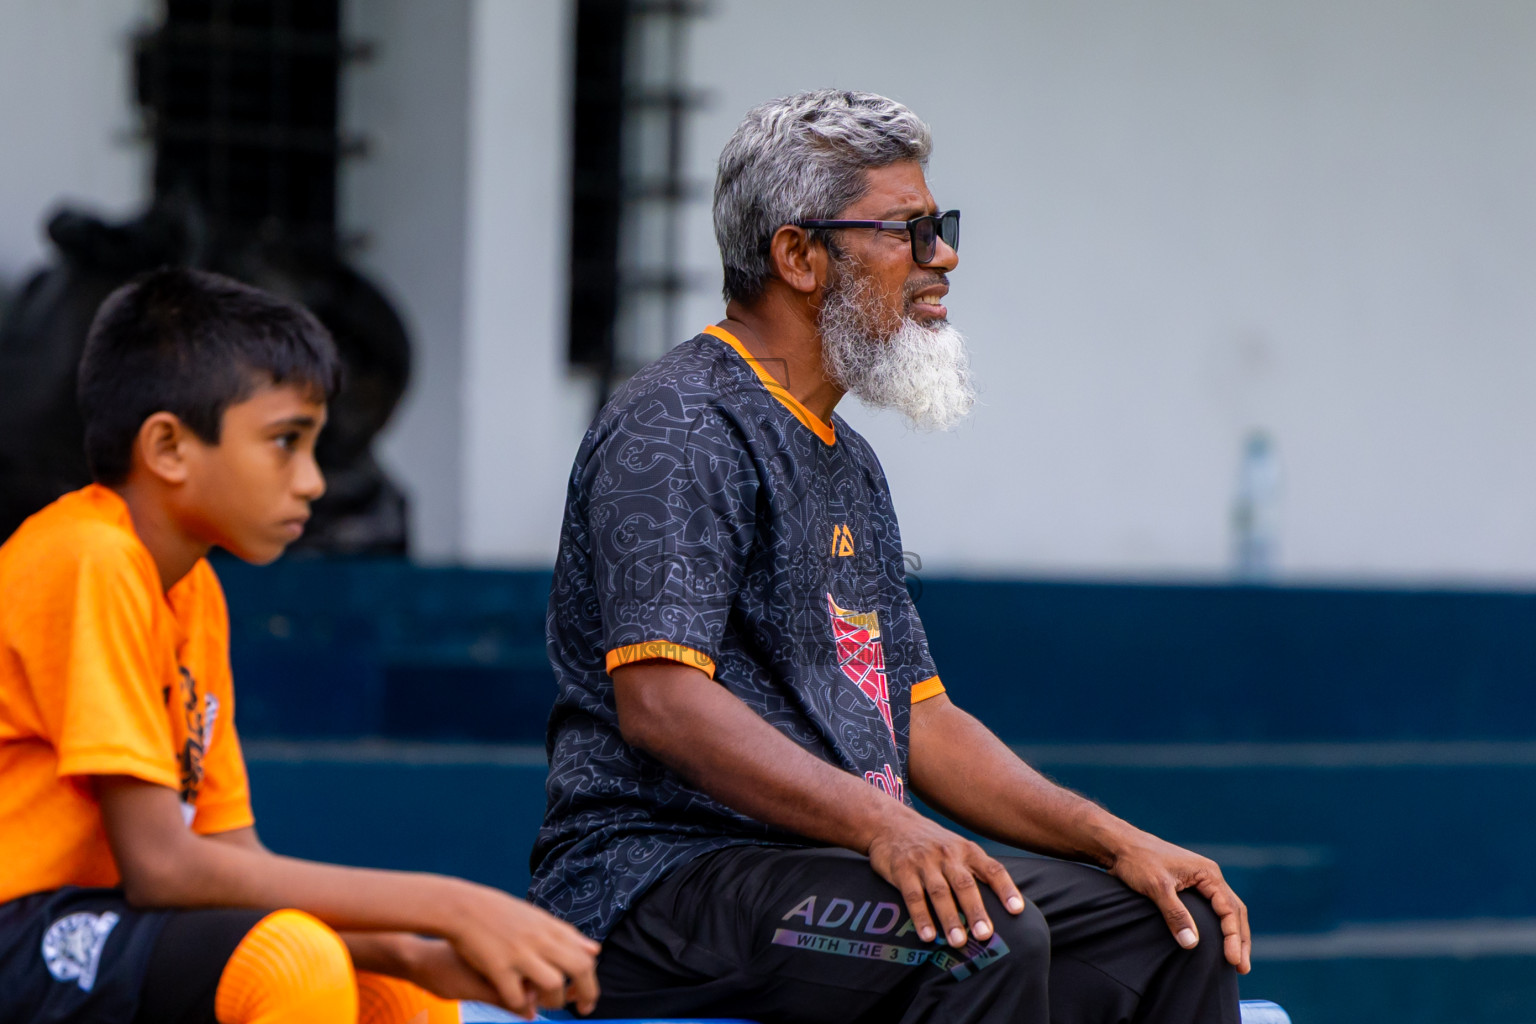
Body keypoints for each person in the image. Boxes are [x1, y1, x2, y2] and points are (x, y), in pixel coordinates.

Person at [531, 89, 1251, 1023]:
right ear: (798, 255)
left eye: (938, 226)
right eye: (908, 231)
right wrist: (888, 826)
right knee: (977, 936)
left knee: (1168, 924)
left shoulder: (847, 461)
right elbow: (662, 702)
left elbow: (920, 720)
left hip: (822, 868)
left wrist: (1112, 841)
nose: (942, 256)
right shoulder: (680, 423)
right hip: (657, 881)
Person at [0, 269, 599, 1024]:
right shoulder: (90, 558)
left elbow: (233, 863)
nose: (314, 482)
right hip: (22, 927)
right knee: (291, 965)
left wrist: (414, 952)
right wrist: (450, 904)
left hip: (107, 921)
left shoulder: (192, 592)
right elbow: (162, 868)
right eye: (285, 442)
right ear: (168, 447)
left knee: (404, 995)